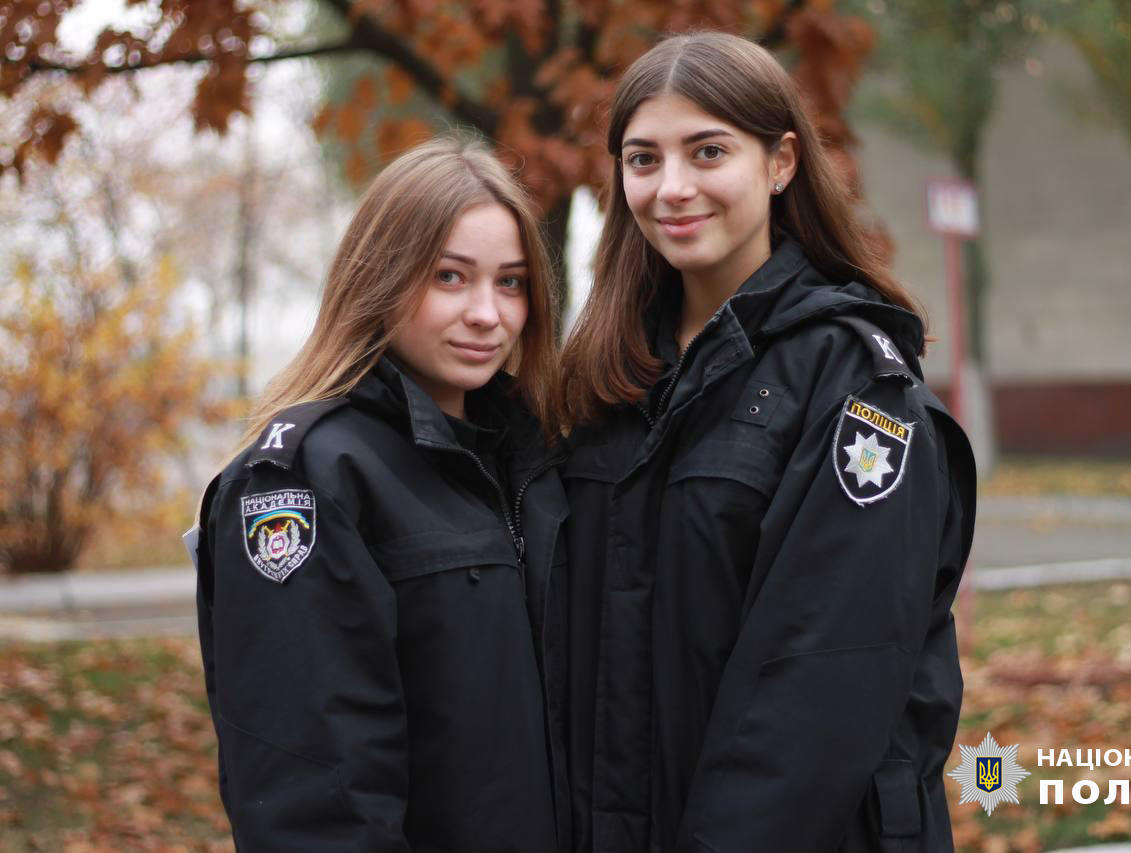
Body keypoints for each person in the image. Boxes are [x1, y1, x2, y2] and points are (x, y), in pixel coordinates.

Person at [556, 32, 976, 853]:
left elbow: (820, 687)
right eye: (643, 159)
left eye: (707, 151)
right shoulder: (604, 383)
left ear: (780, 162)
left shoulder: (857, 386)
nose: (672, 187)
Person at [185, 136, 569, 851]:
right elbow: (312, 795)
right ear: (382, 277)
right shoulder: (306, 478)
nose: (487, 313)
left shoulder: (537, 457)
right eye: (450, 277)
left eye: (511, 282)